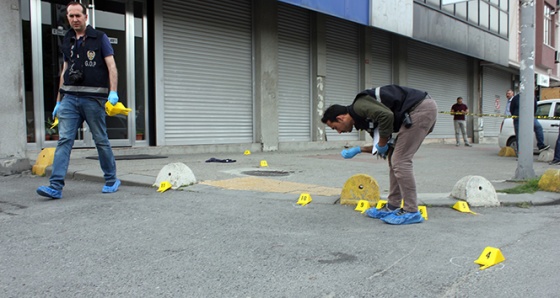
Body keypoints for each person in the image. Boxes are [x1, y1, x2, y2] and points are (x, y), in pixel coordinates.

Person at [37, 1, 121, 199]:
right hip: (69, 99)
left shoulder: (99, 38)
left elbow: (112, 67)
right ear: (67, 17)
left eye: (78, 16)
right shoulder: (67, 39)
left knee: (101, 140)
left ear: (86, 17)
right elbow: (64, 70)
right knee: (64, 141)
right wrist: (59, 100)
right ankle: (55, 187)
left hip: (93, 99)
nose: (74, 19)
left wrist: (113, 92)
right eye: (71, 16)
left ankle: (111, 179)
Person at [321, 85, 437, 225]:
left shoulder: (359, 106)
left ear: (340, 118)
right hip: (417, 110)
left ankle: (411, 211)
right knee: (394, 159)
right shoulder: (363, 119)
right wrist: (359, 150)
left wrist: (382, 144)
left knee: (400, 160)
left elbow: (386, 117)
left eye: (335, 128)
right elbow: (383, 146)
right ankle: (392, 206)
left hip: (419, 109)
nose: (338, 132)